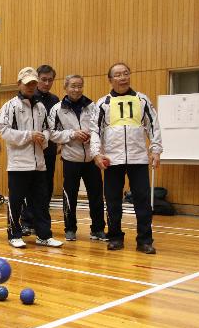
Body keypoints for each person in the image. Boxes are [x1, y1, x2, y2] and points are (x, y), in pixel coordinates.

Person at [91, 63, 162, 254]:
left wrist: (156, 150)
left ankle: (145, 240)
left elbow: (153, 126)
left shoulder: (142, 100)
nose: (122, 78)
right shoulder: (102, 103)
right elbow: (95, 131)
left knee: (143, 201)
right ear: (110, 79)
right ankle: (114, 237)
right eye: (117, 75)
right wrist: (96, 154)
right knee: (113, 201)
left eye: (125, 74)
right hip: (112, 159)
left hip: (138, 159)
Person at [0, 67, 63, 249]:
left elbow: (47, 129)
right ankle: (14, 234)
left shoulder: (41, 107)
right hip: (18, 165)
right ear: (19, 84)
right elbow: (3, 131)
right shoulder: (10, 106)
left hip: (39, 164)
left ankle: (44, 235)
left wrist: (43, 138)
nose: (30, 86)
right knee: (16, 203)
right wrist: (29, 135)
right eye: (27, 83)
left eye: (33, 83)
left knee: (41, 202)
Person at [48, 75, 106, 241]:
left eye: (80, 86)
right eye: (73, 86)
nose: (76, 89)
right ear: (65, 87)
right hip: (71, 159)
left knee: (96, 195)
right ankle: (70, 228)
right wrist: (72, 134)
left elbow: (99, 128)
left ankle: (97, 229)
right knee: (69, 195)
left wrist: (92, 135)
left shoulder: (93, 106)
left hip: (92, 159)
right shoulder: (57, 109)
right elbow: (52, 133)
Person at [20, 64, 60, 235]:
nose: (46, 83)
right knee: (27, 187)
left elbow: (57, 125)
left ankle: (40, 222)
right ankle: (26, 221)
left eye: (50, 80)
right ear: (37, 80)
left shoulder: (55, 100)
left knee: (45, 188)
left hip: (48, 150)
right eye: (43, 80)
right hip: (29, 150)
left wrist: (60, 143)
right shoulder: (29, 97)